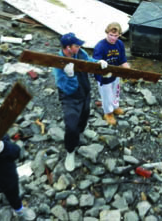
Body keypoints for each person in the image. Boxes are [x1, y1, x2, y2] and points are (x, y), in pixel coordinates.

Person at [53, 32, 107, 171]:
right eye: (76, 45)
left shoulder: (79, 53)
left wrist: (98, 63)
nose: (79, 47)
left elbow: (88, 61)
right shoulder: (58, 64)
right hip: (70, 97)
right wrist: (70, 76)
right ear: (68, 47)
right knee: (71, 125)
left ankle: (82, 132)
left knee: (85, 114)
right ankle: (70, 152)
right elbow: (67, 89)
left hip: (84, 92)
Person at [93, 22, 130, 126]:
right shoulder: (100, 46)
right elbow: (94, 60)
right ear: (107, 33)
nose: (113, 38)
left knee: (116, 91)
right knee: (106, 94)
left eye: (116, 35)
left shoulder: (120, 44)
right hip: (104, 76)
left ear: (119, 35)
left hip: (116, 72)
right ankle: (108, 112)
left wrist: (128, 71)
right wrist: (99, 62)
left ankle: (115, 106)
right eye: (111, 35)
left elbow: (123, 60)